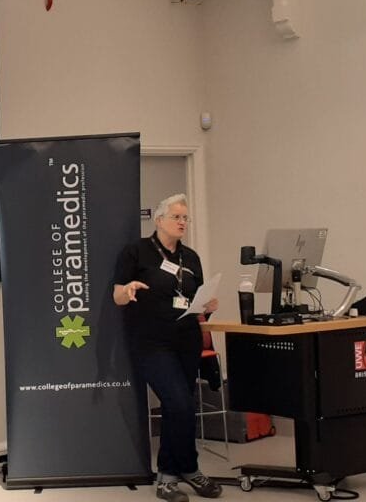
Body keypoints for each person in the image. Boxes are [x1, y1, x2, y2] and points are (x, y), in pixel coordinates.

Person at [112, 194, 222, 502]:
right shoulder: (136, 252)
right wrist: (129, 290)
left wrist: (207, 306)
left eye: (185, 218)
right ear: (159, 220)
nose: (182, 222)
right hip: (151, 342)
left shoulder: (191, 257)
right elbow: (117, 296)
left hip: (186, 339)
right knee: (180, 404)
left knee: (181, 405)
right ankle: (172, 474)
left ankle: (183, 470)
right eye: (176, 217)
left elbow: (194, 297)